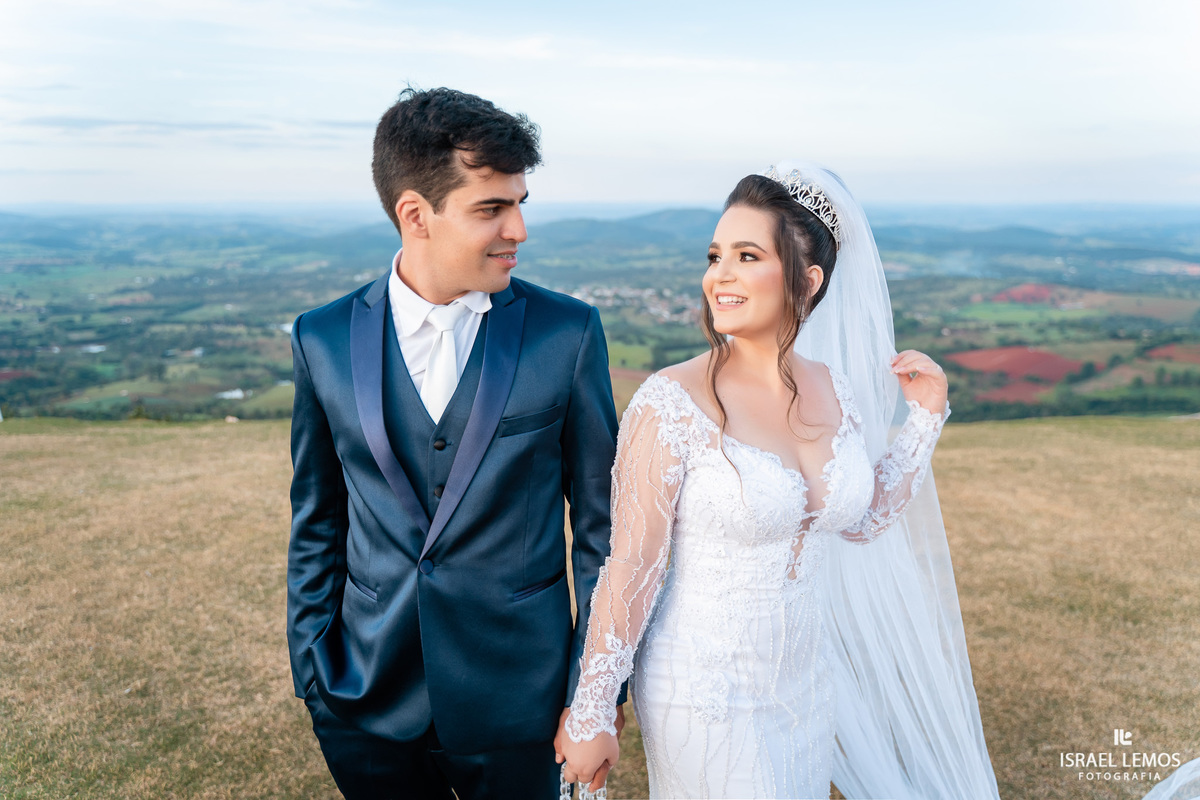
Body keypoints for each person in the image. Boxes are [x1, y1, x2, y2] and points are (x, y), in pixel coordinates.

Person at [557, 163, 1003, 798]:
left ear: (807, 280)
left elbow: (860, 519)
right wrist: (593, 708)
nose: (720, 275)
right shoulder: (669, 402)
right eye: (715, 256)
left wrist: (924, 419)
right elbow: (631, 563)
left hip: (806, 685)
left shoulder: (834, 389)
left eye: (747, 256)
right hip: (703, 688)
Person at [286, 87, 621, 800]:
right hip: (363, 701)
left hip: (524, 704)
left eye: (519, 202)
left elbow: (603, 533)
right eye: (491, 208)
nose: (518, 229)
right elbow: (317, 519)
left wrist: (592, 696)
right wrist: (313, 672)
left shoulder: (567, 334)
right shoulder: (321, 337)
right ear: (416, 214)